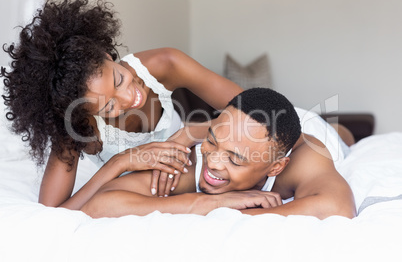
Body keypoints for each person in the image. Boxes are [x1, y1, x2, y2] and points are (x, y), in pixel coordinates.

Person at [0, 0, 242, 209]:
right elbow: (53, 212)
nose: (129, 98)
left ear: (106, 55)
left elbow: (256, 108)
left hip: (190, 159)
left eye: (118, 80)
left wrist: (189, 133)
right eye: (108, 107)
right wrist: (119, 162)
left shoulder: (165, 63)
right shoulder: (77, 128)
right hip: (135, 189)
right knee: (107, 200)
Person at [81, 88, 357, 220]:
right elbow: (100, 204)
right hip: (250, 127)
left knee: (342, 135)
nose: (212, 163)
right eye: (211, 143)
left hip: (314, 131)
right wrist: (210, 203)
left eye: (235, 160)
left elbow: (338, 207)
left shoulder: (307, 160)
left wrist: (246, 213)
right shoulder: (194, 164)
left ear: (275, 168)